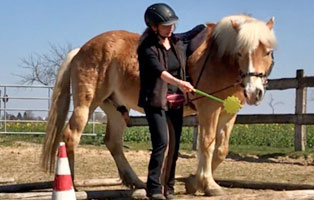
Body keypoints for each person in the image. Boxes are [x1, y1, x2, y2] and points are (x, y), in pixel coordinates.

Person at [137, 3, 207, 200]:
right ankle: (154, 188)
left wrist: (212, 28)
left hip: (175, 101)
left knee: (175, 145)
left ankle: (169, 187)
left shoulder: (177, 44)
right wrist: (180, 83)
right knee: (162, 142)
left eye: (172, 24)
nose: (171, 28)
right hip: (156, 101)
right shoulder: (147, 48)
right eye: (166, 25)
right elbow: (161, 72)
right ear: (153, 27)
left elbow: (183, 64)